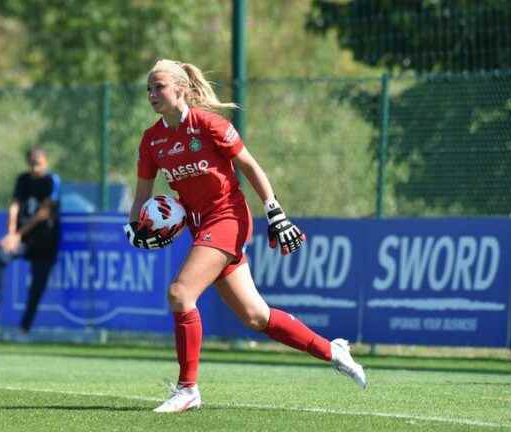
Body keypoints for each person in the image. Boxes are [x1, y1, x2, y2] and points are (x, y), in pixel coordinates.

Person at [123, 59, 367, 413]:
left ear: (181, 89)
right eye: (148, 88)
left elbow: (250, 167)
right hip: (199, 226)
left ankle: (187, 389)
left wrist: (274, 210)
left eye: (158, 86)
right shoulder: (152, 140)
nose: (152, 94)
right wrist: (134, 229)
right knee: (256, 316)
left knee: (180, 293)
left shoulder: (210, 124)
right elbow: (141, 195)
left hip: (227, 218)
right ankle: (333, 350)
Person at [0, 147, 61, 342]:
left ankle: (24, 330)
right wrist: (11, 233)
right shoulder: (23, 180)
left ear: (46, 162)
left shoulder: (52, 181)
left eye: (38, 163)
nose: (35, 167)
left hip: (45, 242)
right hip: (24, 240)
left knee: (36, 288)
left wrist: (18, 234)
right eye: (32, 163)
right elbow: (15, 205)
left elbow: (44, 212)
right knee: (0, 256)